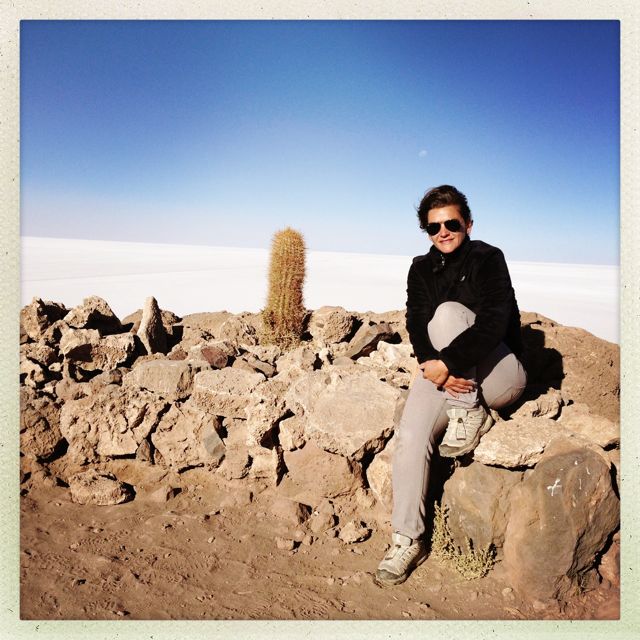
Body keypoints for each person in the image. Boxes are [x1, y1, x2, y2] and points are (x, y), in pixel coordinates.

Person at [375, 185, 527, 587]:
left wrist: (447, 363)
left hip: (500, 375)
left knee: (445, 315)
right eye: (434, 227)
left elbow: (494, 321)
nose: (443, 232)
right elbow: (414, 321)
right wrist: (431, 364)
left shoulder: (488, 259)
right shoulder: (420, 268)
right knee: (410, 436)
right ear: (426, 231)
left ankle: (472, 410)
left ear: (468, 224)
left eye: (452, 224)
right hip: (447, 373)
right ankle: (407, 539)